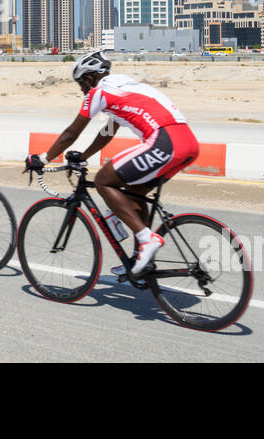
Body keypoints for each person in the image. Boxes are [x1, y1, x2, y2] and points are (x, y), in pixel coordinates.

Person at [23, 51, 199, 277]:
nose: (82, 91)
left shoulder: (99, 92)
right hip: (188, 144)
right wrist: (84, 155)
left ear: (88, 78)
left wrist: (43, 158)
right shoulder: (124, 86)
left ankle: (147, 240)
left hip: (164, 142)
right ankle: (140, 260)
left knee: (103, 181)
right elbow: (107, 132)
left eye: (80, 85)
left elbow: (71, 133)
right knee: (134, 193)